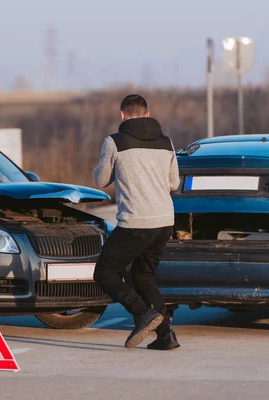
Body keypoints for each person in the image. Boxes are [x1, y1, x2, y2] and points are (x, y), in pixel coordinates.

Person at [92, 94, 181, 350]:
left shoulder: (115, 142)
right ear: (147, 112)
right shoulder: (167, 143)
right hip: (164, 221)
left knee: (104, 272)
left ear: (122, 115)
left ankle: (142, 313)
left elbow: (101, 180)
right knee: (144, 278)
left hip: (135, 222)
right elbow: (174, 183)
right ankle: (166, 336)